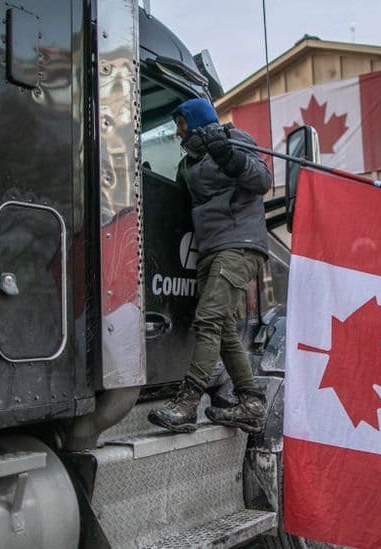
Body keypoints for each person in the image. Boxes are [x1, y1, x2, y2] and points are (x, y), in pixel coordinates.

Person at [148, 98, 272, 433]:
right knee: (225, 328)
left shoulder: (235, 141)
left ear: (197, 121)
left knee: (208, 320)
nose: (177, 133)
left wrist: (229, 156)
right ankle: (251, 402)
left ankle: (187, 404)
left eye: (181, 125)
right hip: (209, 248)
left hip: (239, 244)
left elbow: (261, 181)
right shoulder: (187, 164)